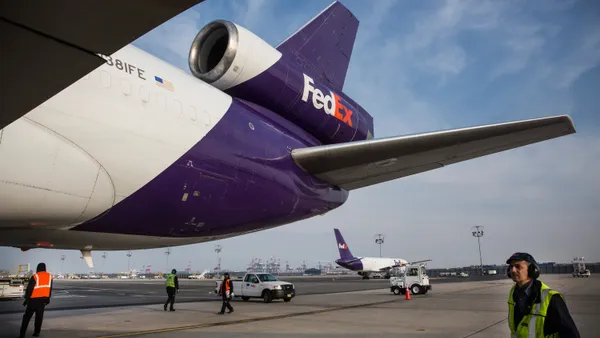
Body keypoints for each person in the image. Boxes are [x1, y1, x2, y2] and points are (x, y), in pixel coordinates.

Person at [506, 252, 580, 337]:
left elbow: (570, 334)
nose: (512, 270)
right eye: (511, 267)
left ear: (532, 270)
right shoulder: (513, 292)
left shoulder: (551, 298)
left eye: (517, 266)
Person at [19, 262, 53, 338]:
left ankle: (22, 334)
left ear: (38, 268)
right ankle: (36, 332)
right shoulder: (49, 276)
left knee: (26, 318)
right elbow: (49, 289)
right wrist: (48, 299)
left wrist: (26, 300)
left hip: (33, 300)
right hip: (42, 301)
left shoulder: (35, 276)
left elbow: (29, 289)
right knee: (39, 317)